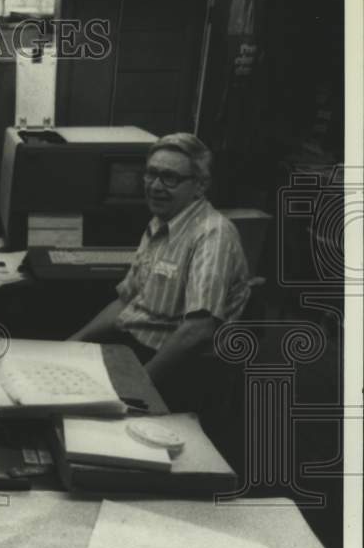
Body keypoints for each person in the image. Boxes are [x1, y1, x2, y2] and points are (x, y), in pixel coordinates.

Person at [69, 132, 250, 405]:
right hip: (134, 348)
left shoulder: (213, 235)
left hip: (181, 369)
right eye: (151, 174)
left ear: (200, 186)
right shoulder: (160, 223)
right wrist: (73, 342)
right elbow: (126, 301)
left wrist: (138, 386)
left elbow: (197, 330)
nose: (155, 186)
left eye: (170, 178)